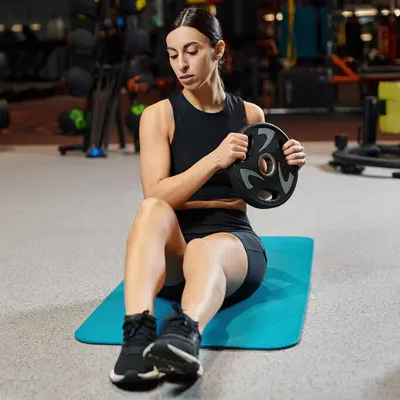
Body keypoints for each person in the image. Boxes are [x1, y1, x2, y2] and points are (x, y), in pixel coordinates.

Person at [109, 7, 307, 386]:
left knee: (205, 250)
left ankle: (184, 336)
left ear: (217, 51)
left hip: (230, 244)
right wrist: (214, 160)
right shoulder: (158, 116)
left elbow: (260, 188)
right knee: (151, 208)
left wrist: (285, 164)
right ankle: (137, 338)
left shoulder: (250, 114)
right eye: (172, 55)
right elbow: (158, 192)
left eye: (192, 51)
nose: (180, 64)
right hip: (174, 251)